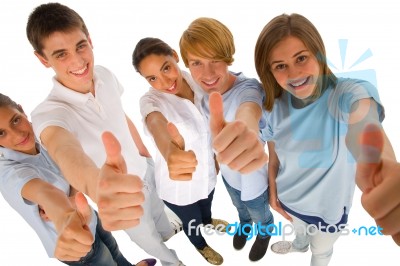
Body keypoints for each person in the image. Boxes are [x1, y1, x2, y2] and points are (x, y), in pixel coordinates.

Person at [26, 3, 183, 266]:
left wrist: (143, 152)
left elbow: (119, 114)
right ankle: (174, 262)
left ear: (90, 40)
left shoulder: (105, 75)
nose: (77, 61)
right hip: (121, 198)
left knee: (160, 216)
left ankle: (167, 231)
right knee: (148, 239)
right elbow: (64, 149)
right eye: (61, 54)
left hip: (145, 170)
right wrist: (96, 186)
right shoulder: (48, 113)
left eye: (80, 46)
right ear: (44, 60)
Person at [254, 13, 397, 266]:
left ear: (318, 53)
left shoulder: (347, 93)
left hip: (327, 212)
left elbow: (365, 127)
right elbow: (274, 151)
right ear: (270, 71)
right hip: (290, 200)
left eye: (301, 58)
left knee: (321, 251)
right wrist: (273, 189)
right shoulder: (272, 106)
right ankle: (299, 246)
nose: (295, 73)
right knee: (300, 234)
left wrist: (381, 167)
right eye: (280, 65)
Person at [0, 93, 156, 266]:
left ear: (22, 110)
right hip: (75, 242)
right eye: (1, 133)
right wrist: (63, 216)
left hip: (88, 215)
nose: (17, 134)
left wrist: (73, 199)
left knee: (114, 250)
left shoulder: (41, 133)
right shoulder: (9, 172)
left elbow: (68, 167)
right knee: (106, 261)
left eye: (15, 120)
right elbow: (45, 192)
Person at [179, 17, 274, 262]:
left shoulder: (248, 89)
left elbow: (249, 110)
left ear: (228, 57)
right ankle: (245, 225)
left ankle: (264, 232)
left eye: (215, 60)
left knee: (257, 211)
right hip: (229, 178)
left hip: (253, 180)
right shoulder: (200, 93)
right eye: (197, 63)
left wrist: (246, 129)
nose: (207, 73)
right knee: (240, 208)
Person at [133, 37, 230, 265]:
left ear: (175, 57)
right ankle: (201, 245)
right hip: (179, 186)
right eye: (152, 78)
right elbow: (155, 123)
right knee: (191, 220)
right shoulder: (151, 101)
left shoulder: (198, 81)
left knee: (206, 203)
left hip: (209, 172)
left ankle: (208, 220)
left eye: (166, 68)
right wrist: (168, 149)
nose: (165, 81)